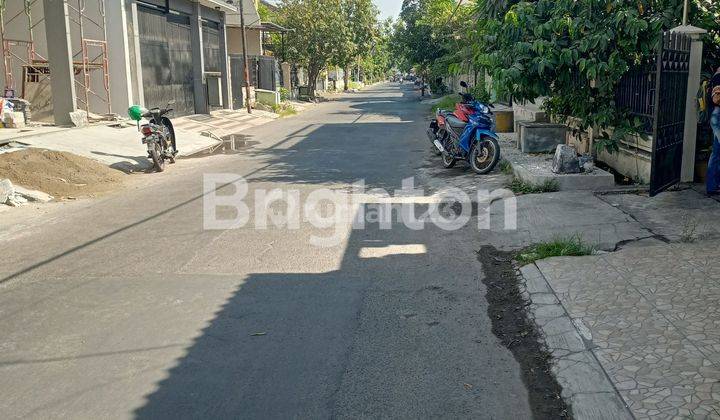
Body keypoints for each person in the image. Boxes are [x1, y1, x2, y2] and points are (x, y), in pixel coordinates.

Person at [707, 67, 720, 195]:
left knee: (717, 152)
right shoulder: (718, 77)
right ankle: (712, 185)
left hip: (716, 115)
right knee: (717, 153)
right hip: (717, 115)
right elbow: (716, 99)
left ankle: (713, 186)